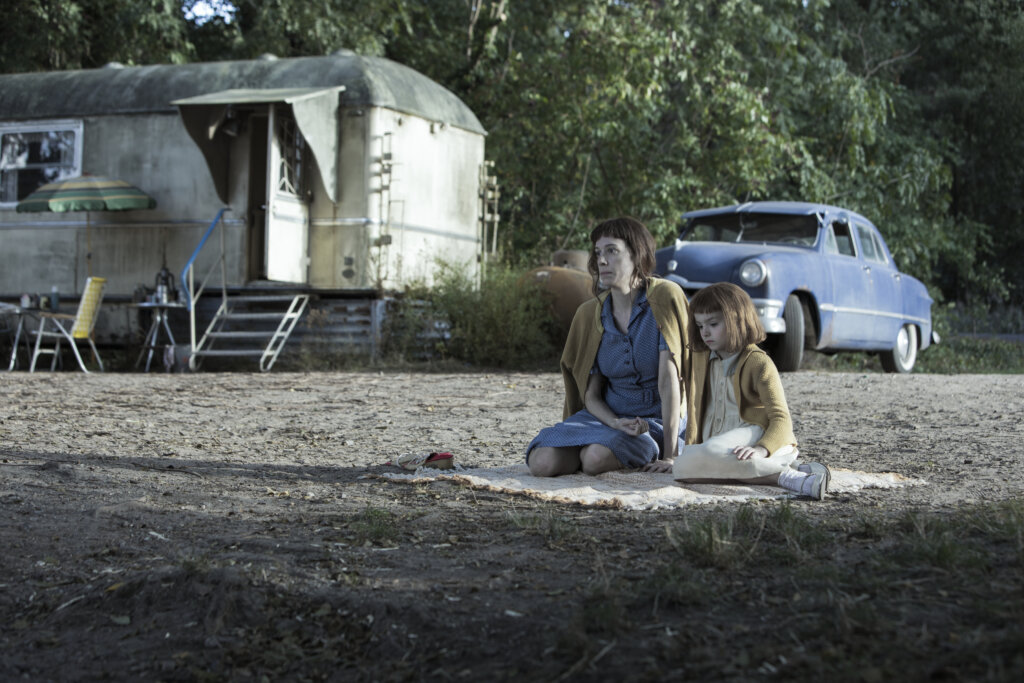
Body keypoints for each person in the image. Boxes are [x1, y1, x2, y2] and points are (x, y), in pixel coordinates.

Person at [526, 217, 691, 476]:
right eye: (598, 253)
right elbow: (590, 395)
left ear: (637, 255)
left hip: (652, 422)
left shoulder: (663, 297)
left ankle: (621, 450)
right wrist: (614, 422)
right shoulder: (589, 314)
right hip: (606, 418)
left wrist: (671, 456)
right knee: (541, 463)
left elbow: (669, 384)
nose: (602, 261)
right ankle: (592, 448)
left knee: (594, 458)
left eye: (612, 251)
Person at [648, 282, 829, 499]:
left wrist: (762, 449)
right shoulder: (700, 358)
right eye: (699, 325)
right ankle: (788, 469)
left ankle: (787, 477)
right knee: (685, 468)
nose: (705, 332)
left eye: (713, 323)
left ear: (736, 320)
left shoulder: (758, 362)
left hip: (752, 433)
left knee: (691, 461)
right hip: (717, 444)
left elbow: (782, 419)